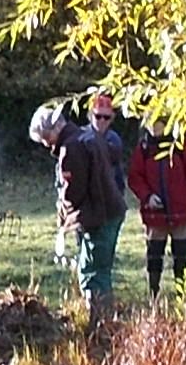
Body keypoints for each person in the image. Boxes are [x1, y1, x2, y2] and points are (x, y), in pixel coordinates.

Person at [32, 102, 127, 312]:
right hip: (110, 210)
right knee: (102, 269)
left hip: (98, 216)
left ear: (55, 129)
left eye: (45, 138)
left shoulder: (70, 149)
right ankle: (104, 321)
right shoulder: (87, 136)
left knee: (91, 272)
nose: (46, 144)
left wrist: (64, 210)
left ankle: (99, 325)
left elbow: (73, 191)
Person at [127, 129, 186, 302]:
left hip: (182, 212)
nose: (155, 127)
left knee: (182, 254)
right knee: (154, 255)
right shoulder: (144, 148)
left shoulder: (181, 145)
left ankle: (181, 293)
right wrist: (147, 196)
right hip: (155, 214)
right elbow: (135, 177)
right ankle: (153, 296)